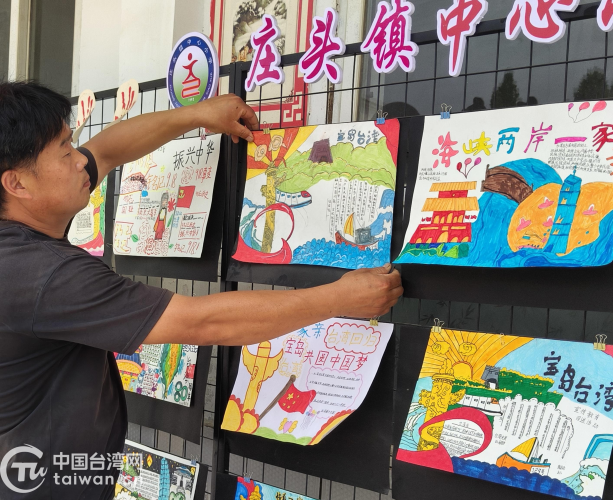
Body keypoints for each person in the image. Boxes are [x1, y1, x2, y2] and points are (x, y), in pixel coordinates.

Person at [0, 81, 403, 500]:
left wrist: (196, 114)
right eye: (65, 151)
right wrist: (337, 299)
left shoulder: (24, 230)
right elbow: (202, 322)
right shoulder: (41, 275)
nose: (79, 160)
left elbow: (105, 151)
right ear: (17, 184)